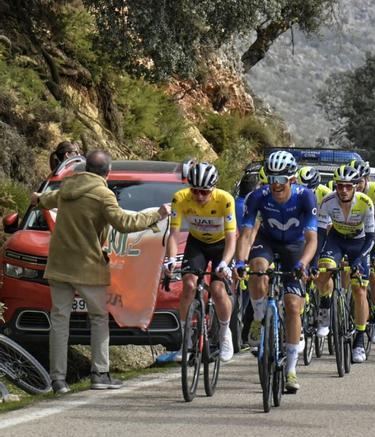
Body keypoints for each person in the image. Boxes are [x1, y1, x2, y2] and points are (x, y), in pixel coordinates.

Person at [32, 150, 170, 394]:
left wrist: (38, 199)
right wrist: (157, 214)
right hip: (88, 266)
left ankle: (58, 381)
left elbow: (46, 200)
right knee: (98, 318)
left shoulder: (67, 186)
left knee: (59, 320)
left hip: (60, 265)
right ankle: (100, 374)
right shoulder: (103, 194)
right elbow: (124, 224)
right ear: (107, 173)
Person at [235, 150, 318, 392]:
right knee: (257, 268)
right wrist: (240, 261)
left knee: (293, 306)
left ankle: (291, 369)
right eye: (271, 179)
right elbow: (247, 233)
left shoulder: (306, 197)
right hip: (268, 241)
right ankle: (260, 318)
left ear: (292, 179)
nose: (275, 185)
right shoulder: (258, 196)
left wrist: (303, 263)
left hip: (295, 245)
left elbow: (312, 238)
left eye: (281, 179)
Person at [164, 162, 237, 363]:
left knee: (217, 289)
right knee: (188, 284)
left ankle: (224, 333)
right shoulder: (180, 198)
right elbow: (173, 234)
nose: (199, 196)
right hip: (197, 244)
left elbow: (232, 238)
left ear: (213, 188)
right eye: (195, 191)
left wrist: (224, 263)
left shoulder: (225, 200)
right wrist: (170, 259)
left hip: (221, 245)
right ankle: (185, 341)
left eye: (204, 192)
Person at [315, 163, 375, 364]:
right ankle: (325, 305)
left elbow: (371, 238)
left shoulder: (366, 203)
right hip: (336, 240)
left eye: (348, 186)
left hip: (359, 243)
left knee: (359, 290)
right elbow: (321, 233)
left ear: (356, 186)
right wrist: (315, 258)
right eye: (340, 186)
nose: (343, 190)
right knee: (325, 269)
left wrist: (359, 259)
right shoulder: (327, 202)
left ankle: (359, 339)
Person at [354, 161, 375, 344]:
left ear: (366, 179)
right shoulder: (347, 190)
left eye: (359, 181)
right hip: (356, 233)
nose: (356, 186)